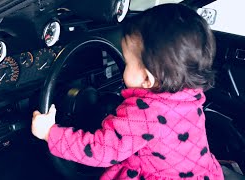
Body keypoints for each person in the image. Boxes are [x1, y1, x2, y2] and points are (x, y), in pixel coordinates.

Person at [31, 3, 224, 180]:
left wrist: (50, 133)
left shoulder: (144, 114)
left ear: (147, 79)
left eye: (128, 62)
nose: (124, 66)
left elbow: (101, 151)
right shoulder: (189, 94)